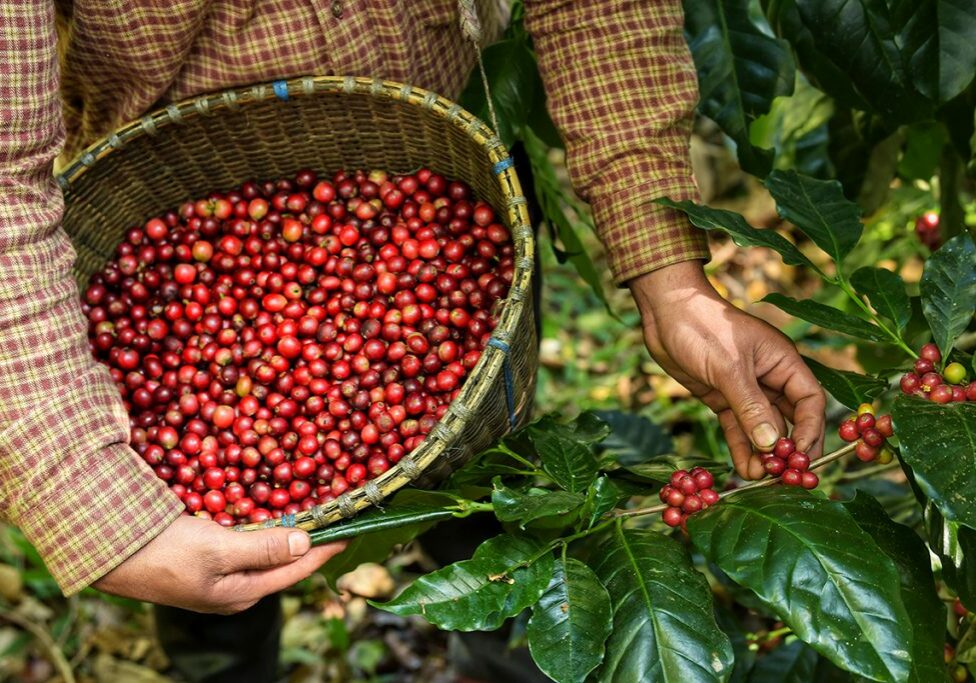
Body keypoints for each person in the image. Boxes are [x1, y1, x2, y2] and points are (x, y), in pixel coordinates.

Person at [0, 0, 824, 667]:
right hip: (159, 158)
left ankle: (509, 646)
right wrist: (95, 504)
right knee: (209, 588)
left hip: (435, 135)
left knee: (495, 505)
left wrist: (671, 281)